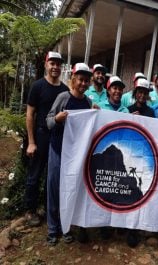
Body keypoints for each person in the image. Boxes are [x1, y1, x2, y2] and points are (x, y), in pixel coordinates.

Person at [45, 63, 93, 245]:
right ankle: (52, 230)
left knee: (70, 191)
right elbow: (48, 120)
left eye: (86, 80)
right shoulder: (63, 97)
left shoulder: (88, 102)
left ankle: (66, 228)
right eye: (80, 79)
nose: (83, 83)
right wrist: (57, 119)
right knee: (54, 189)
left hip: (75, 156)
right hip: (58, 151)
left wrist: (95, 114)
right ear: (74, 79)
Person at [24, 51, 68, 226]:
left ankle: (49, 209)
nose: (55, 67)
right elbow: (29, 115)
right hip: (41, 135)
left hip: (58, 137)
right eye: (52, 63)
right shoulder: (38, 86)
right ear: (46, 64)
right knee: (35, 174)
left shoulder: (65, 90)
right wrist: (31, 142)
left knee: (53, 176)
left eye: (58, 64)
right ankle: (30, 210)